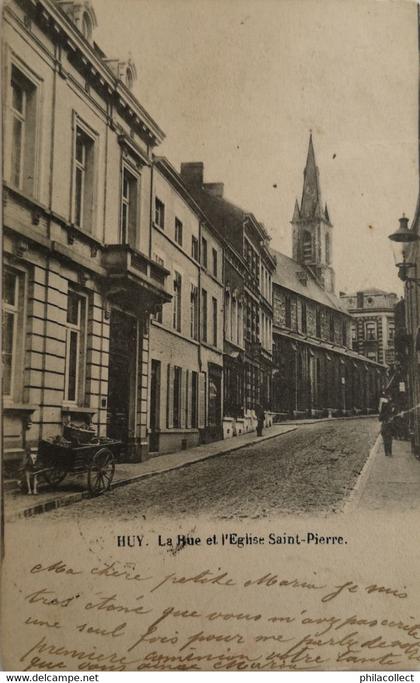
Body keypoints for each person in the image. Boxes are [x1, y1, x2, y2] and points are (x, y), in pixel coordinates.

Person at [378, 392, 394, 457]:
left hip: (385, 425)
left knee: (386, 439)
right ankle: (389, 452)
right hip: (388, 425)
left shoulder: (383, 410)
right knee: (389, 439)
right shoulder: (389, 408)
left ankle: (387, 453)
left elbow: (379, 419)